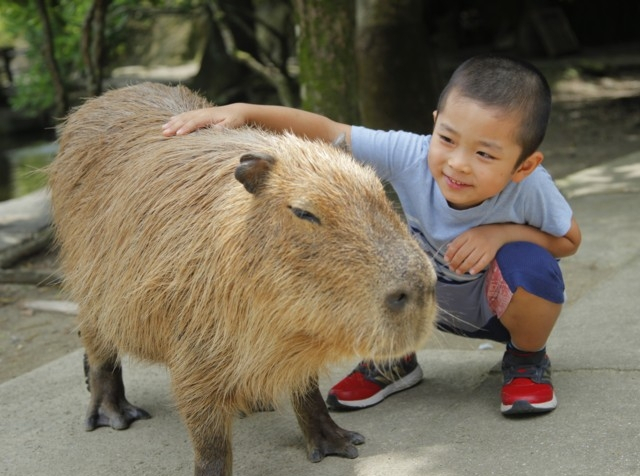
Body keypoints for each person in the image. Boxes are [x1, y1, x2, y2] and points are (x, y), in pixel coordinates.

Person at [162, 54, 582, 416]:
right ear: (434, 125)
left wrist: (500, 233)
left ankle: (527, 359)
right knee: (361, 240)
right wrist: (243, 111)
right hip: (416, 298)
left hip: (491, 308)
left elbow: (569, 241)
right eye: (448, 139)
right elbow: (327, 129)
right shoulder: (412, 154)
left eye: (484, 153)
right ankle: (393, 360)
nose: (458, 164)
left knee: (534, 265)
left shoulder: (531, 186)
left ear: (524, 165)